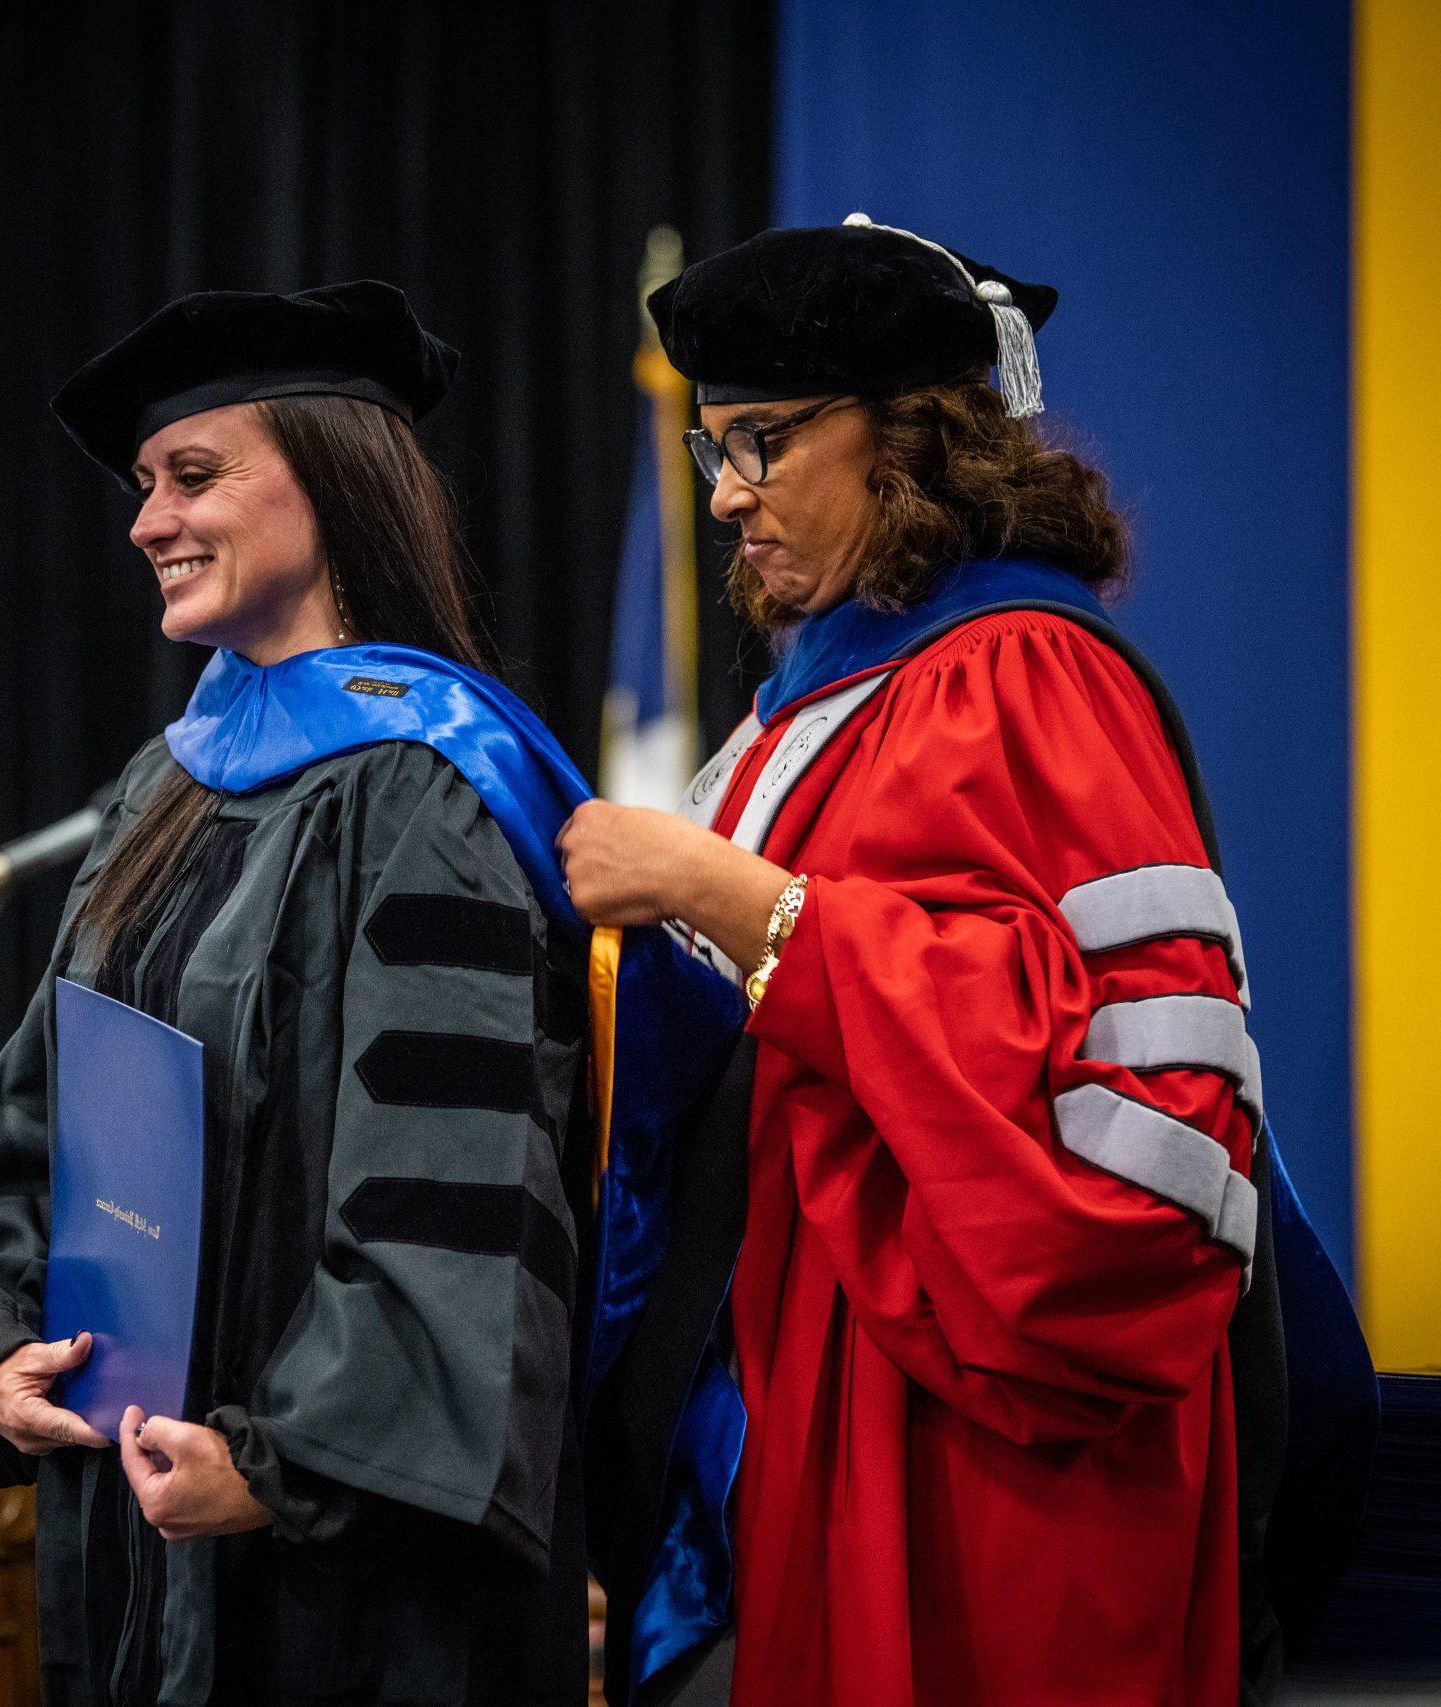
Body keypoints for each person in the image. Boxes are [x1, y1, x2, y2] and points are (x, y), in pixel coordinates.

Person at [562, 217, 1369, 1706]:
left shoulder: (1029, 675)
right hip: (808, 1419)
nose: (730, 497)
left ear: (911, 438)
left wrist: (733, 897)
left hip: (989, 1454)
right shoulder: (818, 702)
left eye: (764, 442)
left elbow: (1132, 1089)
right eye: (712, 450)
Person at [0, 282, 599, 1705]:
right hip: (141, 1527)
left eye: (194, 475)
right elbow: (32, 1117)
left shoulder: (430, 787)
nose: (146, 520)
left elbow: (449, 1193)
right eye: (143, 485)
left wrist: (286, 1463)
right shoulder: (163, 786)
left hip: (341, 1579)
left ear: (336, 478)